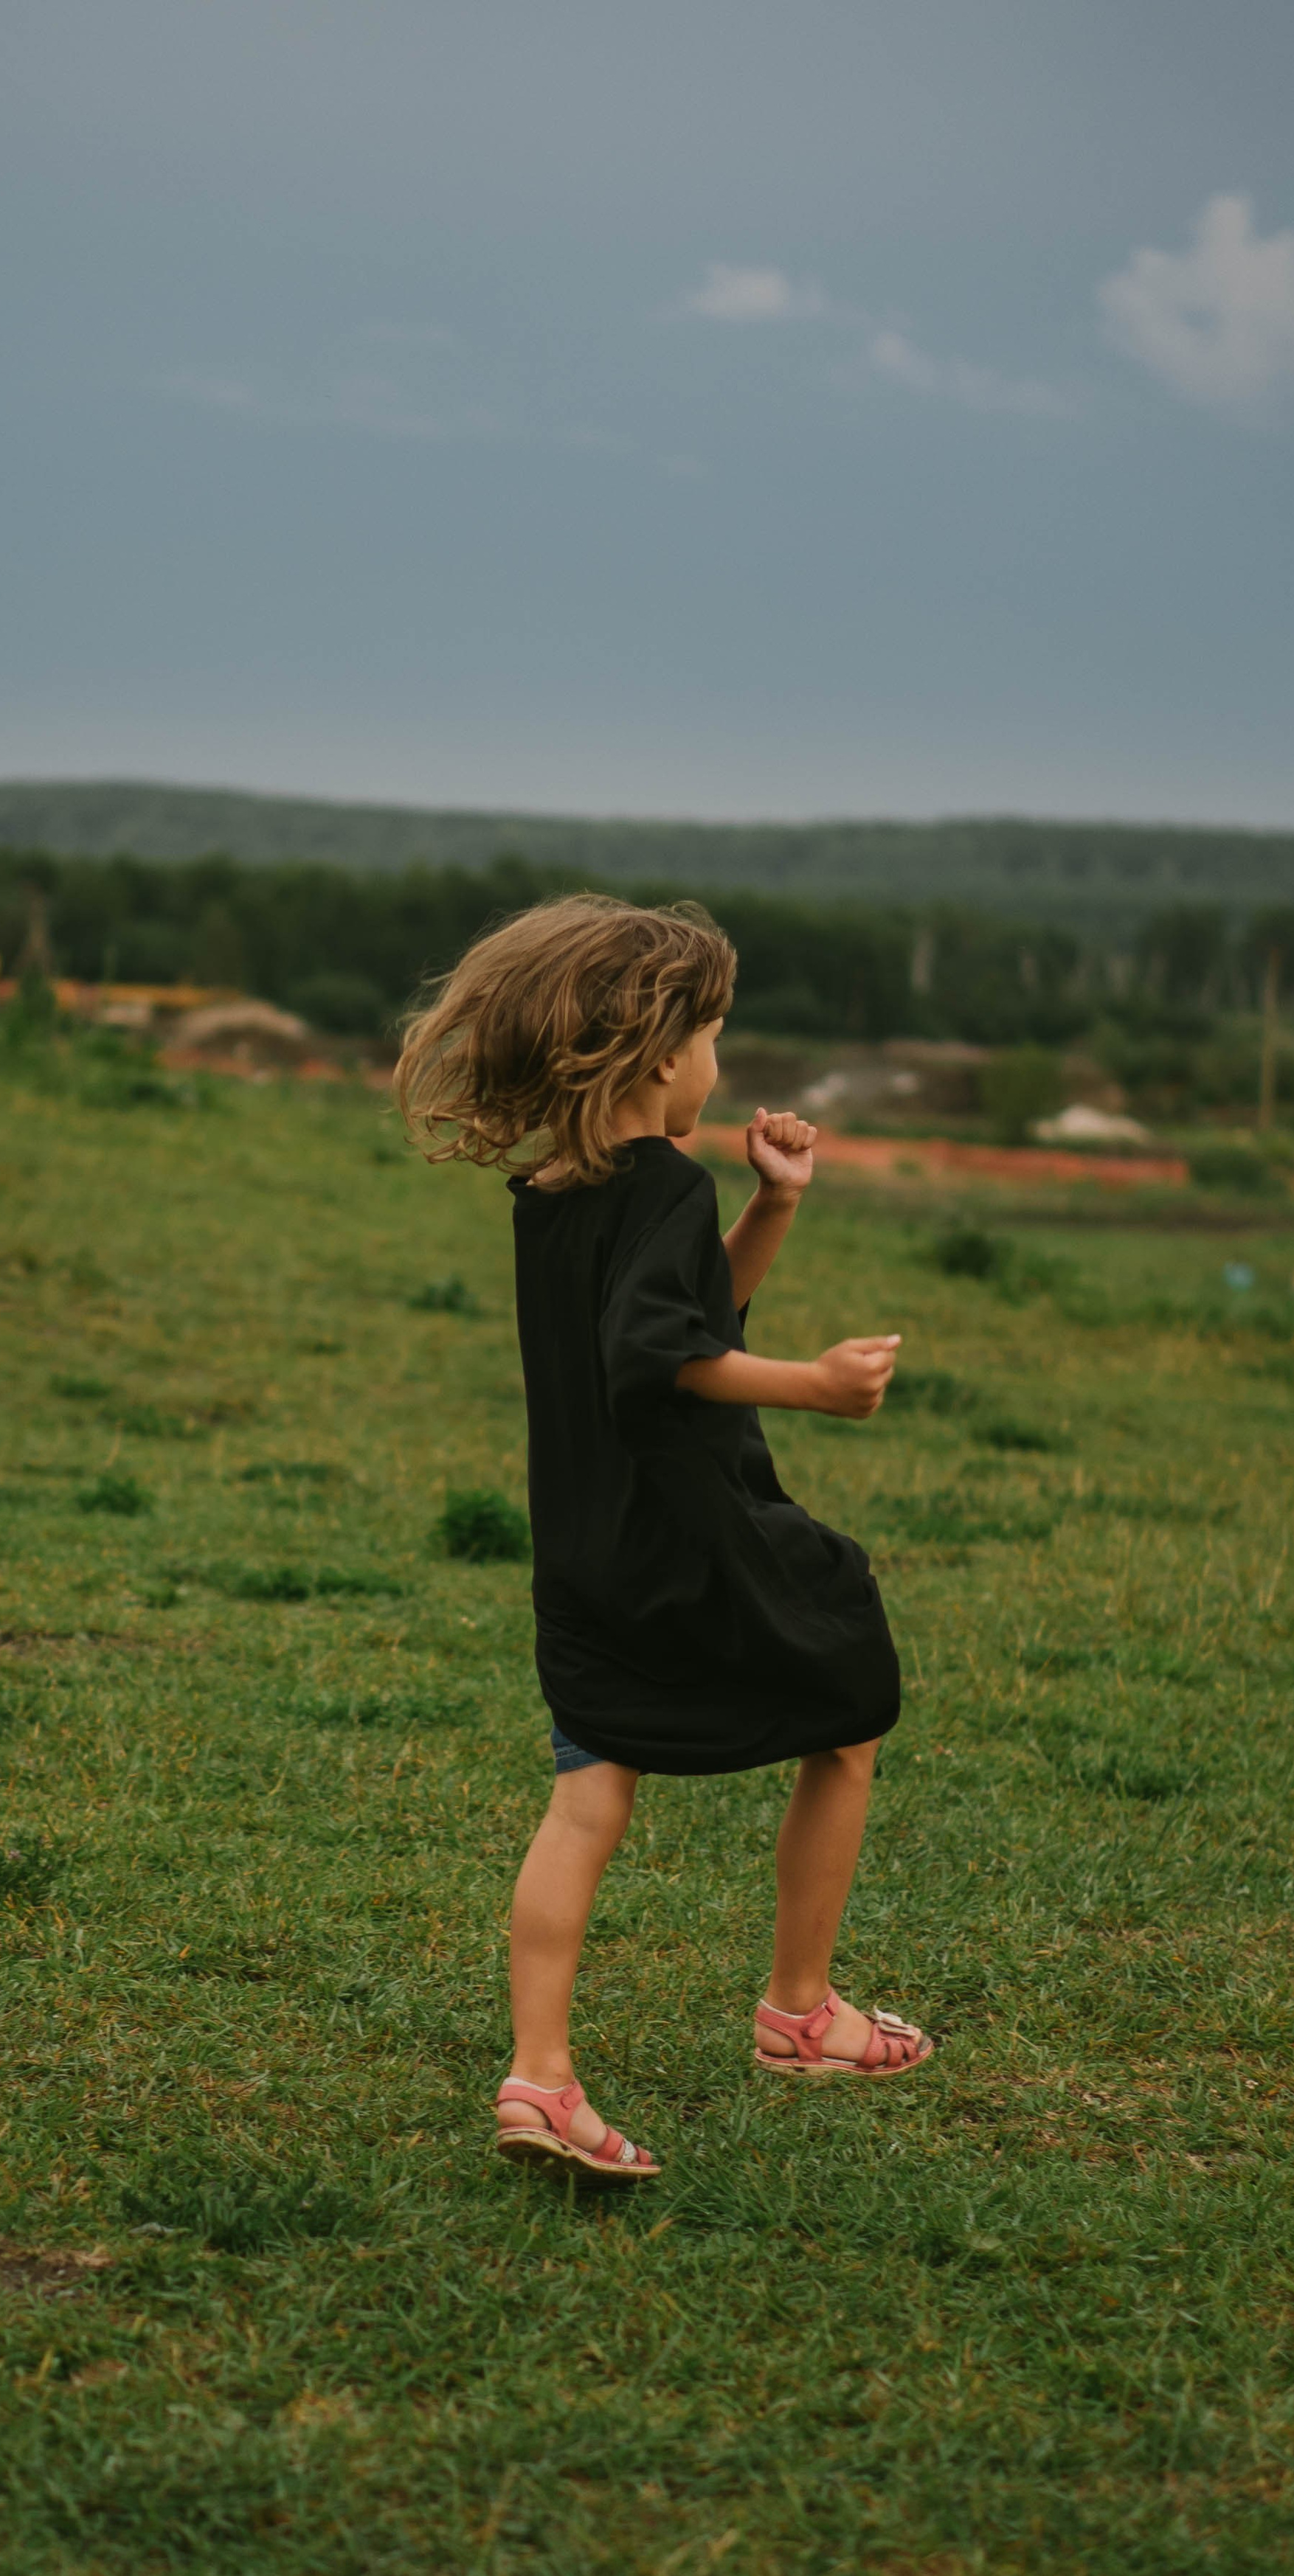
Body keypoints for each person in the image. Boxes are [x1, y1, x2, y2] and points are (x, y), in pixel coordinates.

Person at [393, 895, 933, 2181]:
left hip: (582, 1549)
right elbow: (663, 1356)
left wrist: (775, 1206)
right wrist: (812, 1384)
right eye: (711, 1040)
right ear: (653, 1054)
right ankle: (802, 2011)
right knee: (851, 1702)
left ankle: (541, 2078)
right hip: (690, 1539)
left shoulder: (563, 1190)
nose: (719, 1068)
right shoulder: (662, 1182)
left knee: (587, 1800)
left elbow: (680, 1309)